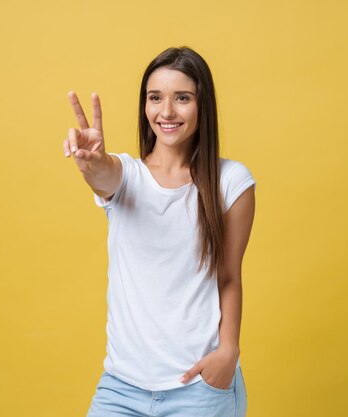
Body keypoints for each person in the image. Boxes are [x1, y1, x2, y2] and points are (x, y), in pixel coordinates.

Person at [63, 46, 256, 417]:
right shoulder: (127, 176)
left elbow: (229, 276)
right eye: (155, 98)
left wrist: (228, 352)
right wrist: (91, 163)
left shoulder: (231, 182)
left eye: (182, 98)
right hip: (122, 387)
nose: (166, 112)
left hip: (199, 387)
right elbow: (104, 174)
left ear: (203, 106)